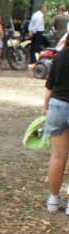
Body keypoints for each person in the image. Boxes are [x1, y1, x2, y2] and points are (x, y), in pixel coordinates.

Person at [42, 44, 69, 215]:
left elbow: (49, 87)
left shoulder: (59, 56)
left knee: (57, 156)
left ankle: (53, 199)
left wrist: (45, 107)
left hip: (57, 105)